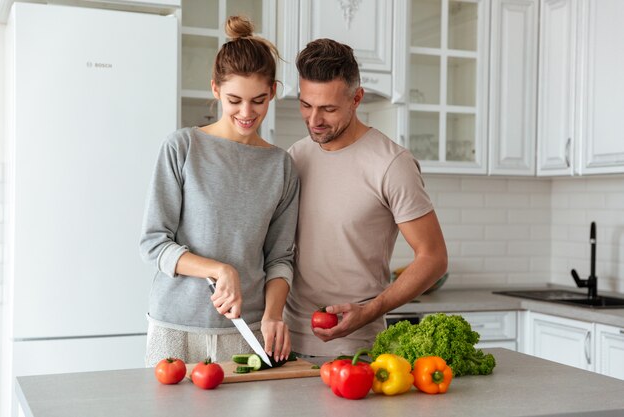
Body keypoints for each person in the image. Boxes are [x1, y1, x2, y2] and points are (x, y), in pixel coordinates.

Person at [139, 16, 299, 366]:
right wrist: (219, 270)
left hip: (247, 330)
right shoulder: (183, 147)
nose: (246, 112)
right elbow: (153, 242)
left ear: (273, 91)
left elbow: (280, 259)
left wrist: (273, 315)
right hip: (175, 326)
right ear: (215, 89)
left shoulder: (281, 166)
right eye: (234, 100)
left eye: (258, 100)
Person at [283, 38, 448, 359]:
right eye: (306, 104)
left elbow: (434, 258)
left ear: (356, 98)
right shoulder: (296, 155)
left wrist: (373, 309)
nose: (314, 119)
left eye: (328, 109)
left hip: (356, 349)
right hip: (286, 344)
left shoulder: (391, 164)